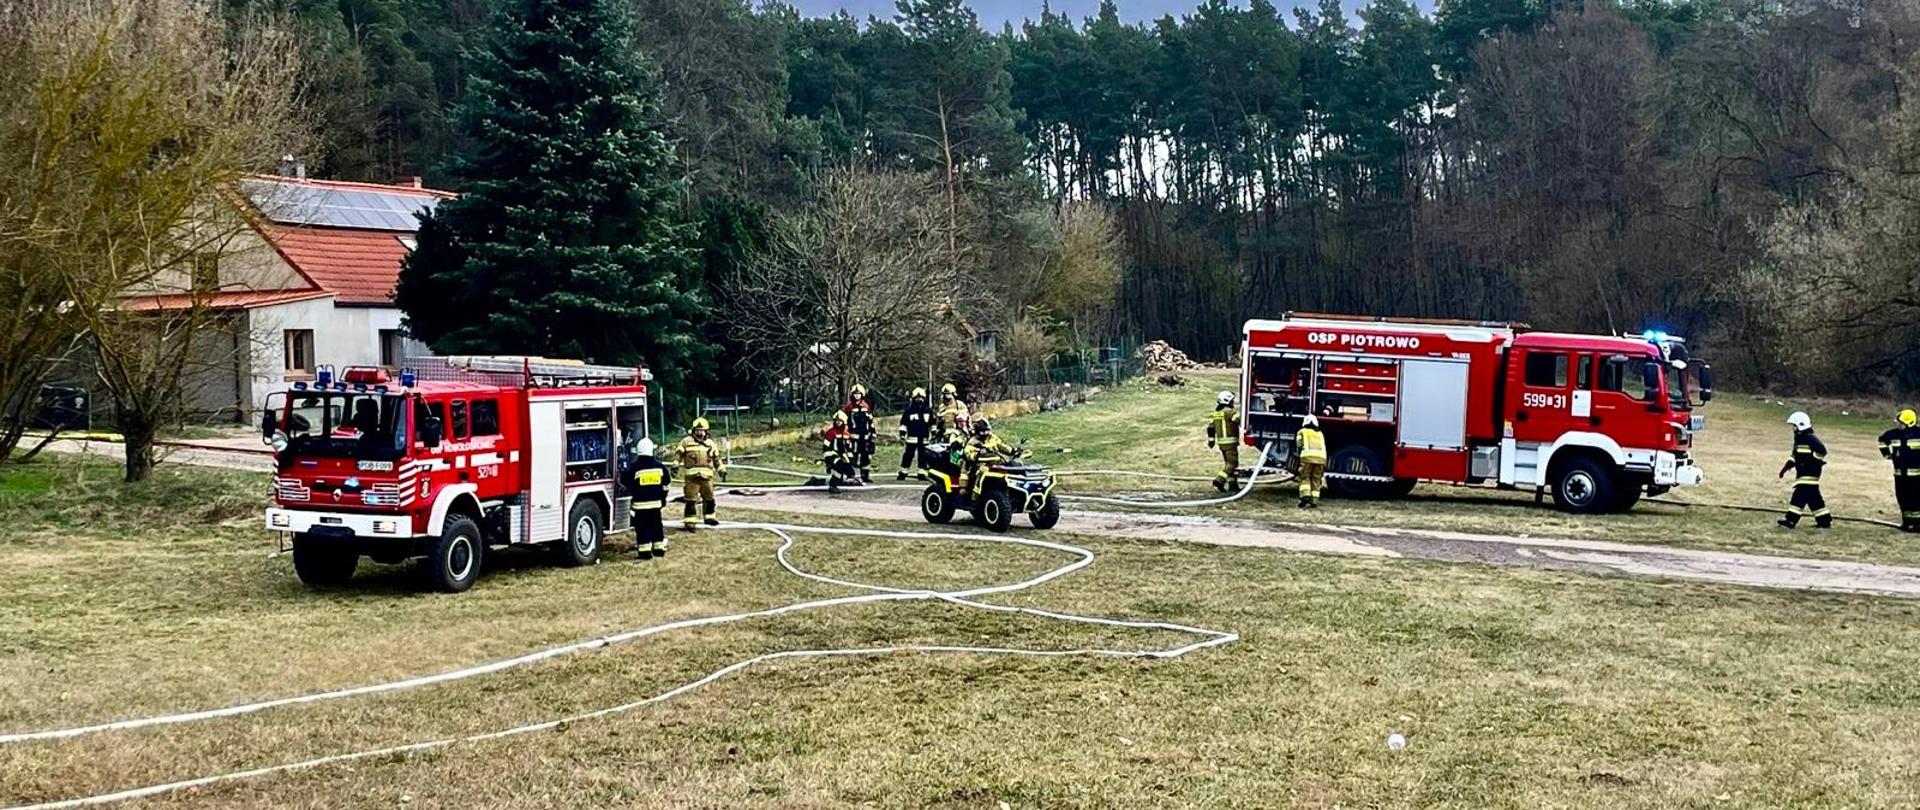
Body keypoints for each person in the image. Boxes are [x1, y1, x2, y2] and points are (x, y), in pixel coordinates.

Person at [1777, 411, 1831, 530]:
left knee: (1799, 496)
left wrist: (1813, 462)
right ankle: (1824, 520)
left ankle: (1790, 520)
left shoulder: (1810, 438)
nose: (1793, 429)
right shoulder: (1799, 440)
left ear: (1800, 425)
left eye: (1794, 426)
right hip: (1803, 474)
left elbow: (1822, 451)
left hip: (1809, 474)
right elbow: (1795, 456)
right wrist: (1786, 467)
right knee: (1813, 498)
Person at [672, 418, 726, 530]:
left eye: (702, 430)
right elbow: (678, 454)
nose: (699, 433)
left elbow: (717, 459)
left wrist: (721, 470)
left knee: (709, 499)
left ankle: (710, 518)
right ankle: (690, 522)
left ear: (706, 431)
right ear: (693, 431)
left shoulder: (711, 444)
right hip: (692, 479)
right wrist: (675, 465)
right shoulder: (686, 442)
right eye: (697, 430)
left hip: (707, 478)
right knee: (691, 501)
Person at [627, 438, 672, 559]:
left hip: (640, 506)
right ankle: (659, 549)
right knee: (656, 525)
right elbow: (666, 484)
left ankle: (644, 552)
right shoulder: (660, 467)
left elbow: (627, 484)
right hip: (656, 504)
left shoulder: (634, 468)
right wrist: (663, 498)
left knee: (642, 527)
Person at [1879, 408, 1920, 532]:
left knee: (1916, 500)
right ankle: (1907, 522)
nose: (1898, 424)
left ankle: (1917, 524)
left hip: (1916, 476)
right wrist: (1887, 454)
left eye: (1900, 423)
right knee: (1902, 498)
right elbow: (1882, 440)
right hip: (1900, 475)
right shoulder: (1892, 434)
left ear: (1909, 423)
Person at [963, 417, 1017, 496]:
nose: (986, 433)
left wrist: (1012, 451)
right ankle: (975, 494)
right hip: (980, 464)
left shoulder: (992, 438)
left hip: (996, 462)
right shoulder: (973, 442)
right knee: (982, 471)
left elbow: (1002, 446)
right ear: (977, 431)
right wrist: (978, 454)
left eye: (987, 430)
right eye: (983, 431)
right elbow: (968, 453)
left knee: (1014, 464)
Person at [1206, 391, 1242, 492]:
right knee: (1233, 464)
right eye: (1232, 401)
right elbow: (1239, 420)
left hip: (1221, 444)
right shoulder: (1230, 413)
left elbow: (1210, 428)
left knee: (1228, 464)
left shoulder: (1216, 414)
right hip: (1230, 443)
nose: (1233, 403)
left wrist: (1211, 441)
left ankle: (1233, 485)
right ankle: (1219, 480)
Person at [842, 384, 878, 483]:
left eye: (859, 394)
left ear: (862, 395)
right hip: (853, 437)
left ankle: (865, 475)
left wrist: (873, 433)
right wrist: (846, 435)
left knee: (865, 456)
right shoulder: (848, 408)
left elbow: (870, 421)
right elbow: (845, 422)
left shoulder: (866, 407)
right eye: (855, 394)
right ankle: (850, 475)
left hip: (865, 437)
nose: (857, 396)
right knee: (851, 456)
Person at [897, 387, 935, 480]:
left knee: (923, 456)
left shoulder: (928, 410)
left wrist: (934, 434)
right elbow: (904, 424)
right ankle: (903, 472)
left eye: (921, 397)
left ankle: (921, 473)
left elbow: (932, 424)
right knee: (908, 455)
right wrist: (902, 435)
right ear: (913, 398)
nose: (919, 399)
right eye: (917, 398)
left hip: (924, 438)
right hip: (912, 438)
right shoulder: (909, 411)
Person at [1295, 414, 1328, 508]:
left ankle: (1305, 496)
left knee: (1305, 477)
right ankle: (1314, 500)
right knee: (1316, 479)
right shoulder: (1320, 433)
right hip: (1321, 459)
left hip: (1307, 458)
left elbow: (1299, 444)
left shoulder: (1302, 432)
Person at [821, 411, 859, 494]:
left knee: (850, 471)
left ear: (844, 422)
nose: (838, 422)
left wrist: (851, 459)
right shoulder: (831, 433)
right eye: (837, 420)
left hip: (843, 456)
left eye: (840, 421)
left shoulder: (846, 434)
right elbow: (826, 447)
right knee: (839, 466)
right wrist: (828, 460)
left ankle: (840, 481)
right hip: (832, 455)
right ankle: (833, 485)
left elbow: (848, 448)